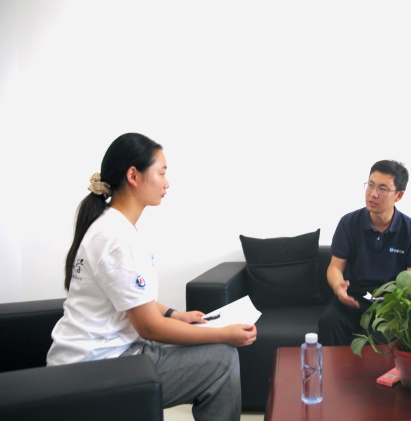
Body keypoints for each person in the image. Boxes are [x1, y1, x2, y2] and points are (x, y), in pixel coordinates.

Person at [47, 133, 256, 421]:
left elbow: (129, 297)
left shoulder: (109, 226)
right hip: (96, 366)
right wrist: (223, 334)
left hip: (96, 356)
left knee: (212, 347)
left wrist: (175, 314)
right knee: (222, 359)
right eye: (162, 172)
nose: (166, 183)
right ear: (134, 175)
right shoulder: (117, 238)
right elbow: (149, 327)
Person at [318, 160, 411, 346]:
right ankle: (330, 367)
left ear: (399, 195)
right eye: (370, 185)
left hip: (390, 305)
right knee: (329, 321)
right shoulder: (348, 223)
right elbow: (335, 267)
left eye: (382, 189)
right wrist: (338, 287)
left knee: (382, 336)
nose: (373, 194)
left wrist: (398, 301)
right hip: (353, 299)